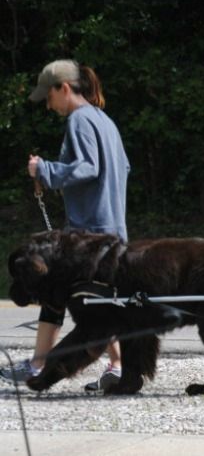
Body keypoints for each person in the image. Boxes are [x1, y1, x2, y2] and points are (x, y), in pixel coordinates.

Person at [0, 59, 130, 392]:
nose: (48, 104)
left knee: (56, 293)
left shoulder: (80, 119)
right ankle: (117, 366)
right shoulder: (105, 120)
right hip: (112, 230)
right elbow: (122, 168)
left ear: (65, 88)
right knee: (101, 304)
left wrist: (44, 170)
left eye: (49, 96)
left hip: (89, 237)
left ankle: (37, 364)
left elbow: (88, 167)